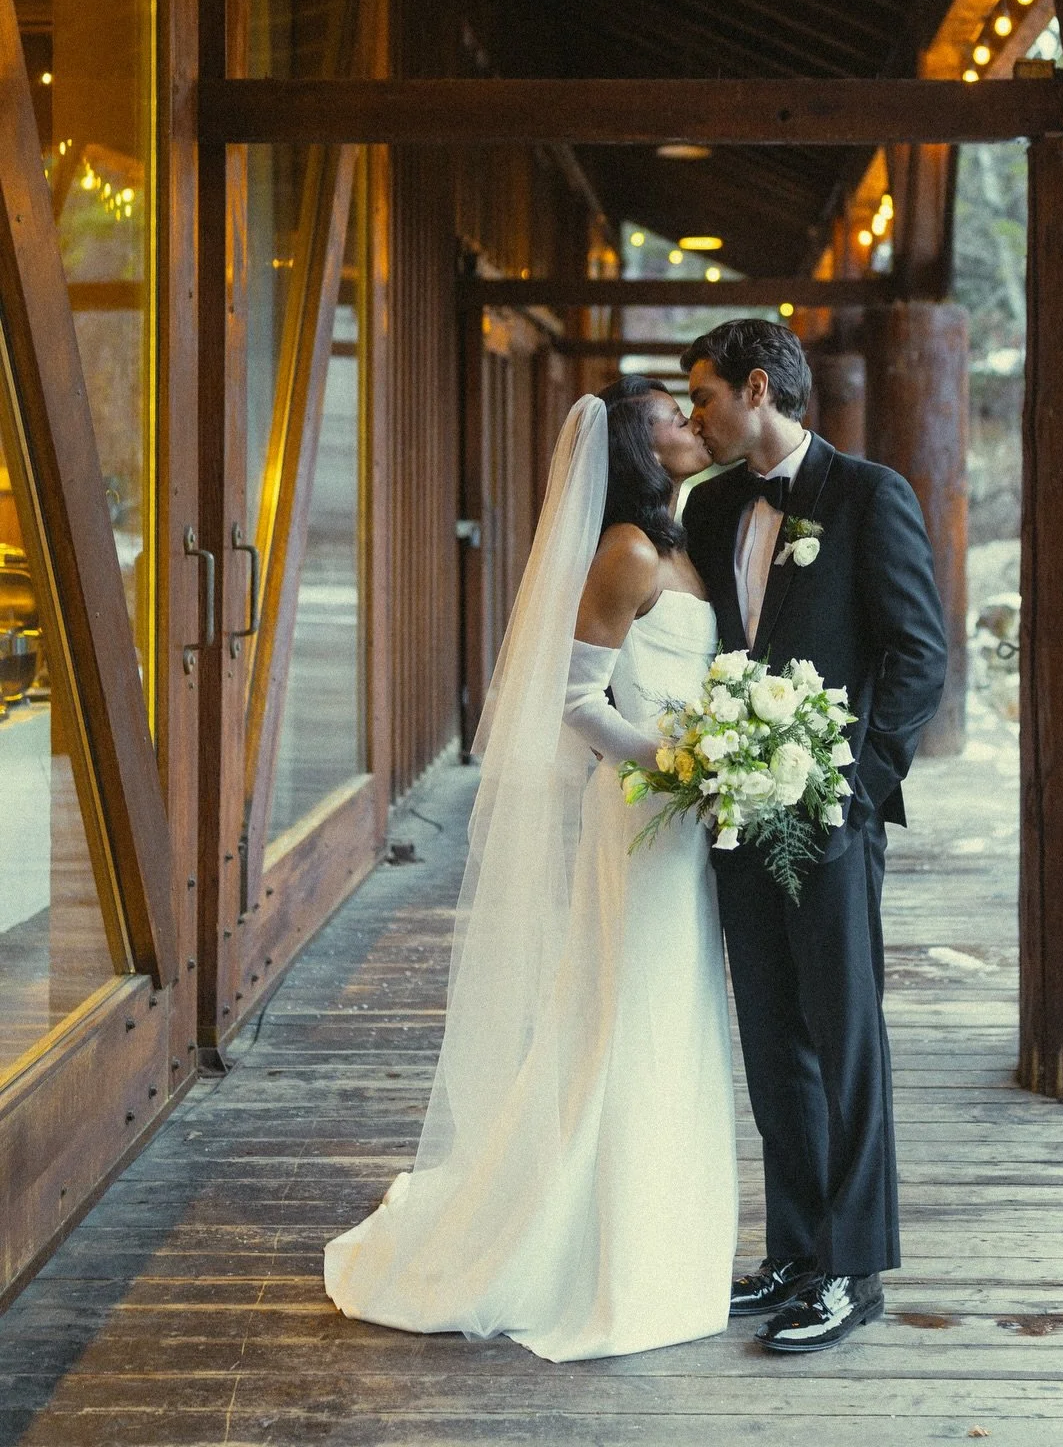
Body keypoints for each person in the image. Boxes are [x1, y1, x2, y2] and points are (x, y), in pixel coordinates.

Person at [324, 379, 737, 1360]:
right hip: (644, 813)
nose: (690, 422)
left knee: (674, 1008)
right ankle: (594, 1243)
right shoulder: (626, 553)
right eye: (672, 417)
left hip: (687, 819)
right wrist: (676, 764)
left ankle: (659, 1224)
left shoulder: (681, 544)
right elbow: (573, 699)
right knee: (630, 1005)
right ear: (638, 447)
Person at [683, 318, 947, 1354]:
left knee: (846, 1039)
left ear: (759, 389)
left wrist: (855, 786)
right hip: (735, 811)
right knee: (769, 1031)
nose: (695, 415)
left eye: (704, 395)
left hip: (829, 815)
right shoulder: (710, 511)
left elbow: (918, 657)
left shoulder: (870, 495)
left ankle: (853, 1268)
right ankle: (793, 1246)